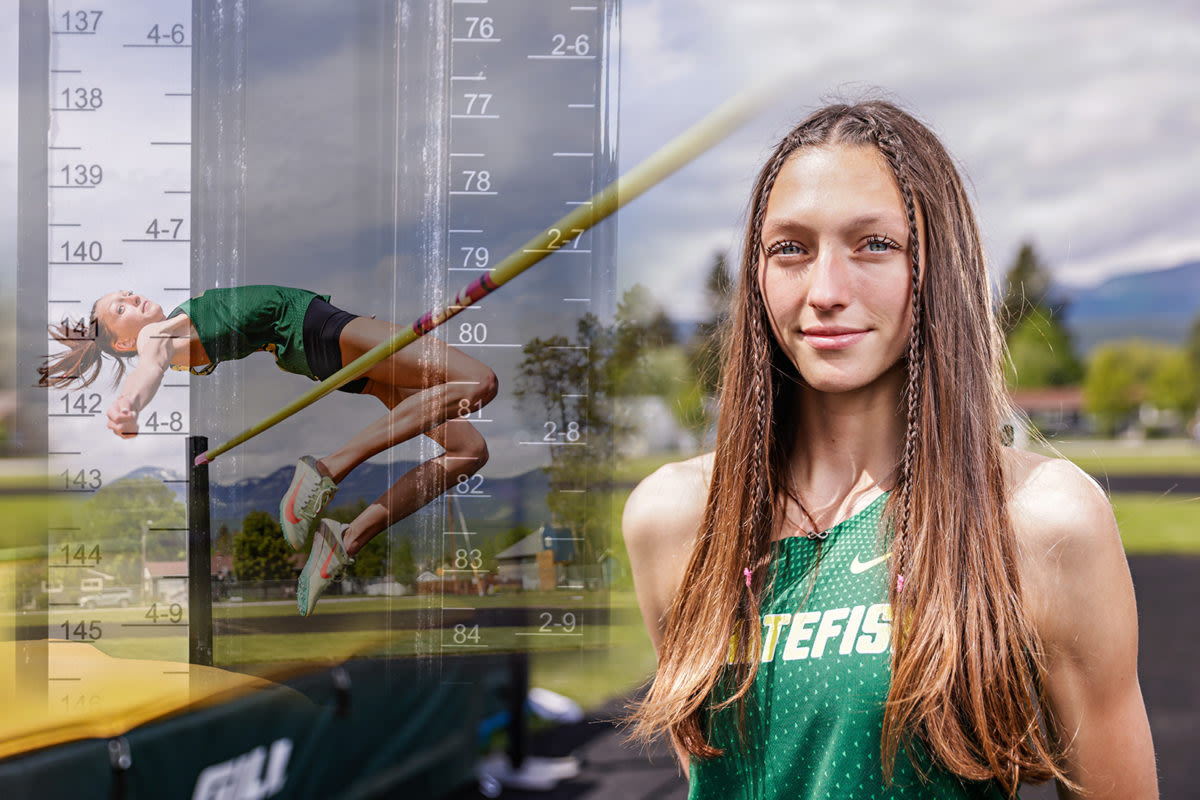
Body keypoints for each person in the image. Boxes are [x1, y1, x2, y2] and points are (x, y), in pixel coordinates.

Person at [622, 102, 1157, 799]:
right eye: (791, 248)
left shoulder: (1040, 522)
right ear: (757, 276)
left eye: (873, 244)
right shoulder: (675, 520)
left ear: (935, 266)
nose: (826, 292)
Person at [39, 285, 497, 616]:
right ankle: (328, 468)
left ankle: (346, 539)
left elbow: (158, 361)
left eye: (128, 293)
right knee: (479, 381)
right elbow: (149, 365)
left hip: (312, 350)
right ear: (122, 341)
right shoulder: (155, 337)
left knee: (468, 450)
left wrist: (133, 399)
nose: (134, 298)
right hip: (312, 325)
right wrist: (129, 404)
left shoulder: (177, 334)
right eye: (122, 307)